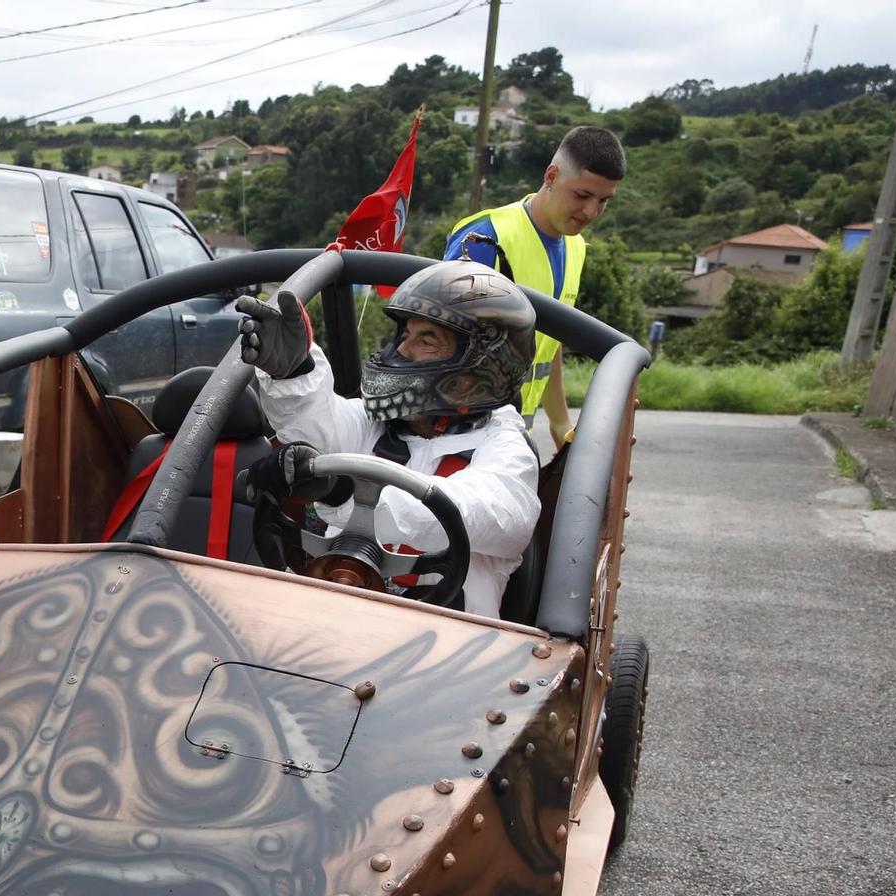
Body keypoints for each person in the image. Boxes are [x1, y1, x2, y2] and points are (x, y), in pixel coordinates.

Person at [232, 260, 540, 620]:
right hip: (336, 624)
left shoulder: (506, 449)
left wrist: (343, 490)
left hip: (450, 654)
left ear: (482, 366)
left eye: (427, 340)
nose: (402, 352)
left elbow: (481, 513)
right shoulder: (375, 423)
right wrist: (292, 372)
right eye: (405, 335)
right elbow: (316, 432)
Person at [446, 125, 624, 456]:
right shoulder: (487, 239)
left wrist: (561, 426)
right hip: (460, 440)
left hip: (511, 438)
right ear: (552, 176)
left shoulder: (576, 248)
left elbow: (548, 343)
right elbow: (440, 344)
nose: (591, 212)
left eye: (604, 201)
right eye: (583, 196)